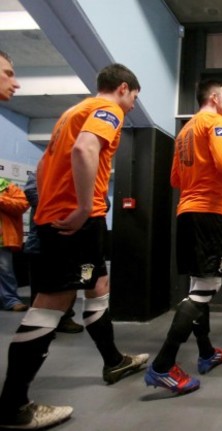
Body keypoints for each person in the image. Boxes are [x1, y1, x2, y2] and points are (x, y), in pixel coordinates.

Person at [0, 63, 148, 430]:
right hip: (73, 219)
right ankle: (12, 406)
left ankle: (113, 360)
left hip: (65, 216)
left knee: (98, 285)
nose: (131, 107)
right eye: (133, 99)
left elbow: (49, 163)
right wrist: (83, 207)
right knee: (52, 303)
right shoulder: (107, 109)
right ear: (123, 88)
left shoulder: (72, 112)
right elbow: (85, 150)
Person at [144, 80, 222, 395]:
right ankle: (162, 366)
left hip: (188, 211)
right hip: (210, 213)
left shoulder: (185, 130)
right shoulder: (215, 122)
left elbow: (176, 177)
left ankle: (205, 352)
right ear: (214, 99)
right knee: (208, 288)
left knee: (197, 284)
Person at [24, 171, 84, 332]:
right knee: (41, 286)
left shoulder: (80, 177)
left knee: (68, 284)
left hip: (70, 243)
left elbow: (102, 202)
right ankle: (39, 324)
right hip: (42, 242)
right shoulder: (41, 174)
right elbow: (33, 193)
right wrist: (65, 209)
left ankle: (64, 318)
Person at [0, 177, 29, 312]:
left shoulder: (7, 186)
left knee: (6, 272)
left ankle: (11, 300)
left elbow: (22, 205)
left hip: (2, 239)